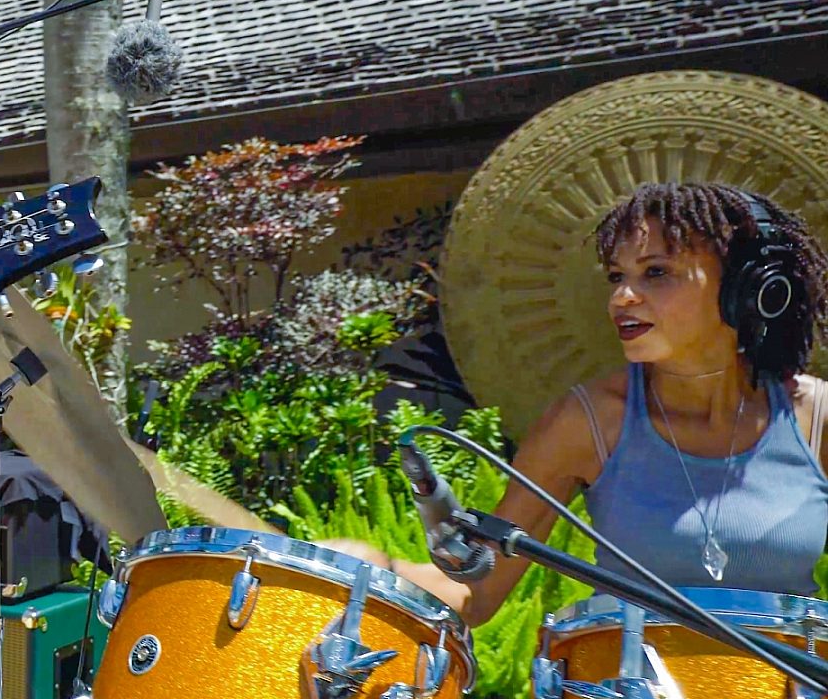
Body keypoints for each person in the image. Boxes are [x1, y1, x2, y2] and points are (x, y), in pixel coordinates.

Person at [330, 182, 828, 623]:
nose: (622, 298)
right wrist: (376, 570)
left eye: (656, 272)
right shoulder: (590, 421)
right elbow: (476, 592)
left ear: (752, 290)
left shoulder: (815, 417)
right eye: (616, 277)